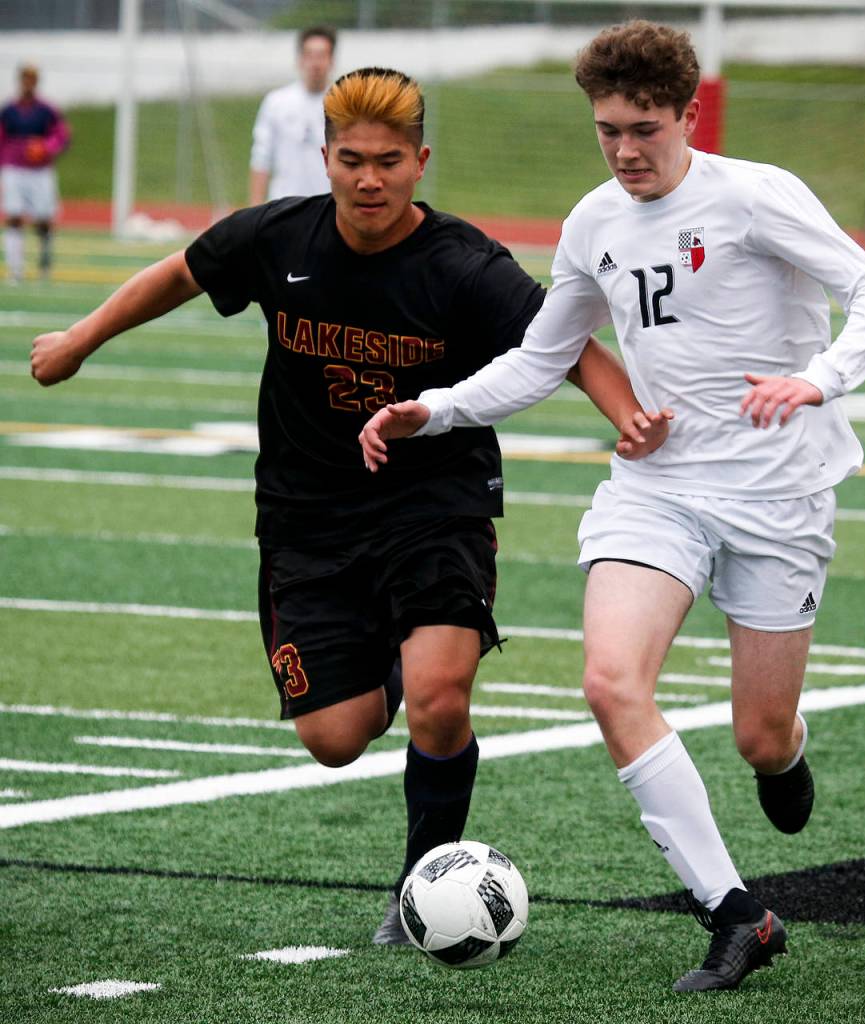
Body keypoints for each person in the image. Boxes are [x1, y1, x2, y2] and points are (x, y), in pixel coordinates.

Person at [30, 67, 658, 946]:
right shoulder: (277, 236)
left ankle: (421, 887)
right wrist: (79, 339)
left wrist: (629, 415)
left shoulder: (463, 264)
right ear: (324, 158)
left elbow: (563, 339)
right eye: (353, 160)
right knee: (336, 735)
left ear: (420, 162)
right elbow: (180, 271)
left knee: (442, 698)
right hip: (306, 515)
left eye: (390, 161)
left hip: (431, 504)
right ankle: (403, 657)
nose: (370, 179)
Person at [359, 21, 865, 990]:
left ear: (686, 116)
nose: (623, 150)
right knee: (611, 681)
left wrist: (815, 380)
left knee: (758, 731)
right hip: (655, 491)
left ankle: (781, 757)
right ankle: (735, 912)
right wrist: (434, 411)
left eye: (643, 129)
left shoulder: (751, 195)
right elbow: (542, 353)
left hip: (778, 495)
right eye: (607, 129)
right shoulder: (592, 221)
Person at [249, 25, 336, 204]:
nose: (315, 63)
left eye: (321, 56)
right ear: (299, 60)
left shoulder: (343, 103)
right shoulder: (276, 102)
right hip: (284, 206)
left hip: (328, 207)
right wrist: (254, 210)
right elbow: (261, 158)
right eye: (310, 55)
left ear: (331, 60)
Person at [0, 63, 70, 283]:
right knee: (13, 217)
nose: (28, 83)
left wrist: (46, 147)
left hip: (40, 172)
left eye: (32, 79)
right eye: (25, 78)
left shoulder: (47, 110)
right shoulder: (8, 110)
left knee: (43, 219)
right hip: (14, 169)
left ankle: (44, 261)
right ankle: (15, 268)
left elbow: (62, 136)